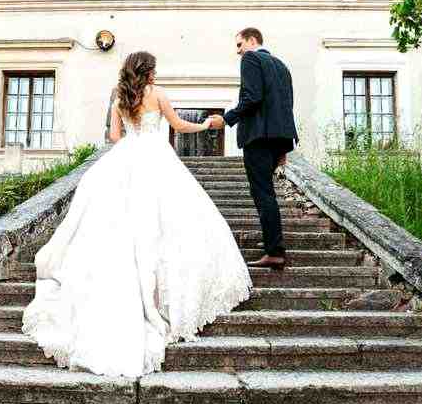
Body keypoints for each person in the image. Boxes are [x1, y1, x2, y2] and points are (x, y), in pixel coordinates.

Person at [21, 51, 252, 378]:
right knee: (167, 225)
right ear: (149, 72)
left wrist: (133, 132)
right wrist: (205, 123)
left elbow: (115, 137)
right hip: (157, 158)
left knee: (123, 224)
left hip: (127, 158)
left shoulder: (121, 97)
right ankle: (160, 298)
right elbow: (178, 126)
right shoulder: (157, 94)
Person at [207, 27, 298, 269]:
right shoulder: (281, 65)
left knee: (263, 193)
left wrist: (226, 119)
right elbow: (286, 104)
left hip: (258, 136)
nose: (238, 51)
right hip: (278, 137)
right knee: (267, 192)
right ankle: (273, 242)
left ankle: (275, 251)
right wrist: (283, 148)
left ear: (252, 40)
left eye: (239, 45)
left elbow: (252, 97)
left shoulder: (251, 58)